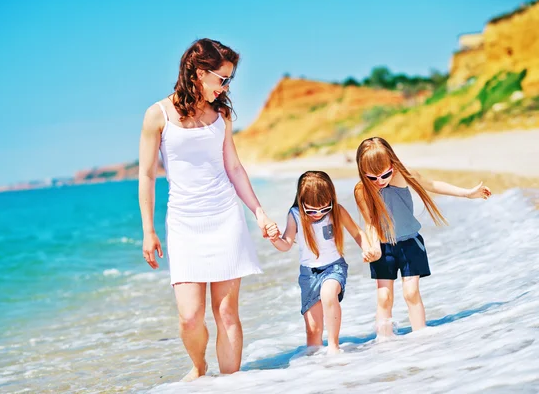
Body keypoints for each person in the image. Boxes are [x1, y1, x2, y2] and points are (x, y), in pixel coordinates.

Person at [138, 38, 278, 381]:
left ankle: (231, 385)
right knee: (189, 316)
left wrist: (258, 211)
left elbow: (234, 168)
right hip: (184, 222)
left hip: (225, 217)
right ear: (199, 73)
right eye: (223, 79)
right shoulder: (158, 115)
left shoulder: (222, 114)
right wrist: (148, 230)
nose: (227, 86)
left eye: (229, 80)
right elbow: (146, 175)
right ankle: (199, 368)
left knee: (226, 311)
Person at [353, 137, 492, 337]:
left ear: (392, 164)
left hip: (410, 243)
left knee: (411, 293)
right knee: (384, 297)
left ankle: (422, 340)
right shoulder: (362, 190)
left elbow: (432, 184)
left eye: (384, 174)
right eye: (372, 178)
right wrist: (373, 248)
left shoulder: (402, 175)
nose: (379, 181)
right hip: (384, 248)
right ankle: (383, 343)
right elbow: (371, 223)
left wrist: (467, 193)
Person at [266, 171, 375, 354]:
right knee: (313, 331)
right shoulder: (295, 215)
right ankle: (315, 369)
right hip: (308, 275)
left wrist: (367, 248)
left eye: (324, 208)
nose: (318, 214)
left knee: (328, 293)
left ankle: (334, 348)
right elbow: (285, 244)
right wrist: (274, 238)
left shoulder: (336, 211)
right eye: (312, 210)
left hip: (334, 267)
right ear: (301, 202)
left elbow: (357, 233)